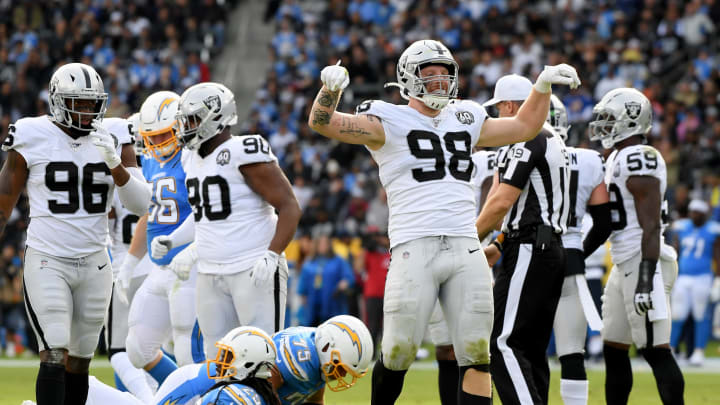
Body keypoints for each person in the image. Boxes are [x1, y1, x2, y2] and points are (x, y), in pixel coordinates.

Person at [308, 39, 580, 405]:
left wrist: (542, 86)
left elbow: (525, 126)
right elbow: (322, 122)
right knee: (398, 351)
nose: (438, 80)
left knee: (477, 352)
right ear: (408, 77)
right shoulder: (386, 119)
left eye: (444, 73)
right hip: (413, 244)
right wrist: (330, 90)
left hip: (465, 243)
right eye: (429, 73)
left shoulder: (466, 116)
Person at [0, 62, 150, 405]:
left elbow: (142, 205)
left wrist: (115, 163)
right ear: (57, 100)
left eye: (91, 102)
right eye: (78, 102)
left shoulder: (111, 136)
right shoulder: (30, 133)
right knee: (53, 350)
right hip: (48, 258)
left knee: (80, 360)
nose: (86, 110)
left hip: (97, 261)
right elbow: (4, 200)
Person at [153, 82, 301, 358]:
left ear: (216, 116)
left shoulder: (244, 149)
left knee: (262, 356)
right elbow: (204, 218)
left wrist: (272, 254)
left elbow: (289, 206)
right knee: (218, 360)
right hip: (210, 272)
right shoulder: (190, 158)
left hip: (251, 266)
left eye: (193, 119)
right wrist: (174, 241)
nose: (186, 126)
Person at [475, 74, 571, 405]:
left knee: (503, 344)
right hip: (547, 247)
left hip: (531, 248)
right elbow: (524, 207)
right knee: (530, 350)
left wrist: (467, 240)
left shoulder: (529, 139)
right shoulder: (554, 139)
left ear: (513, 105)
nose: (498, 117)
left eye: (500, 108)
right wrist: (499, 244)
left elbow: (502, 201)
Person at [35, 315, 372, 405]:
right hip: (204, 388)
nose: (339, 376)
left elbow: (313, 394)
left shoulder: (314, 360)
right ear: (328, 348)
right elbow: (266, 391)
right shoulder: (296, 357)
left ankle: (84, 388)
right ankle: (83, 388)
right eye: (340, 367)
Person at [589, 87, 684, 404]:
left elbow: (651, 224)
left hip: (646, 260)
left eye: (608, 118)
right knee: (613, 348)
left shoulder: (640, 156)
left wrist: (646, 276)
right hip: (623, 261)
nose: (603, 125)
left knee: (655, 349)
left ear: (629, 119)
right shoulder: (616, 155)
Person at [122, 91, 198, 388]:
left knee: (187, 349)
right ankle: (184, 394)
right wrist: (129, 263)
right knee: (138, 347)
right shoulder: (151, 162)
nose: (156, 143)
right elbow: (149, 215)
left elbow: (205, 212)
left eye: (163, 135)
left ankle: (199, 397)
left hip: (191, 265)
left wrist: (184, 247)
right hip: (160, 267)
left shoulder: (193, 157)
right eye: (150, 137)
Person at [547, 95, 611, 405]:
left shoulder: (518, 152)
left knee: (520, 347)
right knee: (572, 352)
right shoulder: (588, 159)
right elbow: (603, 222)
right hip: (570, 256)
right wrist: (578, 253)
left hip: (529, 255)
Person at [103, 115, 156, 402]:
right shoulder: (158, 169)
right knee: (153, 347)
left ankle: (150, 399)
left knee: (119, 351)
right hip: (160, 266)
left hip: (124, 265)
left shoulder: (118, 173)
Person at [670, 199, 720, 366]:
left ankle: (699, 351)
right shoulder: (683, 227)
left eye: (697, 212)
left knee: (701, 315)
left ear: (704, 214)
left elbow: (717, 256)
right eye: (692, 212)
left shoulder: (712, 230)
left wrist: (718, 279)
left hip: (703, 277)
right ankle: (670, 349)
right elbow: (675, 251)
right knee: (677, 314)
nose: (693, 215)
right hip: (683, 277)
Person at [297, 234, 356, 326]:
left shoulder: (338, 261)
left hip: (333, 303)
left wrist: (344, 283)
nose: (323, 246)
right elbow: (303, 283)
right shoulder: (310, 262)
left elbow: (349, 277)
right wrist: (303, 297)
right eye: (320, 244)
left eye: (325, 244)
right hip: (313, 305)